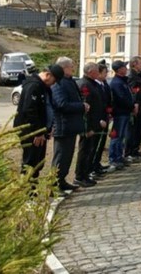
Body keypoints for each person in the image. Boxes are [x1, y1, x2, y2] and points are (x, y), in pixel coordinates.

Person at [13, 64, 63, 180]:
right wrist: (38, 132)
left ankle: (32, 193)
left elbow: (48, 108)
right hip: (31, 132)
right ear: (48, 75)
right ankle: (28, 194)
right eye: (54, 81)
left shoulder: (44, 87)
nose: (54, 84)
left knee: (37, 164)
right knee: (30, 164)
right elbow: (30, 111)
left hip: (41, 132)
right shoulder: (33, 86)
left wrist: (49, 128)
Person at [50, 57, 90, 192]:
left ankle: (62, 181)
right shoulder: (58, 83)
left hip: (71, 126)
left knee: (67, 157)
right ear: (63, 68)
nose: (73, 68)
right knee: (60, 157)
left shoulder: (69, 81)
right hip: (63, 126)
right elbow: (61, 104)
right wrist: (81, 106)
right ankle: (54, 186)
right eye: (71, 66)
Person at [75, 62, 106, 187]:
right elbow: (86, 109)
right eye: (96, 70)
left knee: (89, 150)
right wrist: (88, 128)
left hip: (94, 124)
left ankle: (85, 174)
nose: (98, 73)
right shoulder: (85, 85)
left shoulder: (92, 83)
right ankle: (80, 176)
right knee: (84, 151)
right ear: (90, 72)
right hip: (88, 126)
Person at [109, 60, 136, 170]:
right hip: (120, 113)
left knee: (121, 137)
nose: (126, 68)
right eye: (124, 67)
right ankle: (114, 159)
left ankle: (119, 157)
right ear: (119, 69)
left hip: (125, 112)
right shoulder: (116, 83)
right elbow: (121, 99)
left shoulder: (123, 81)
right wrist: (132, 107)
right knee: (117, 136)